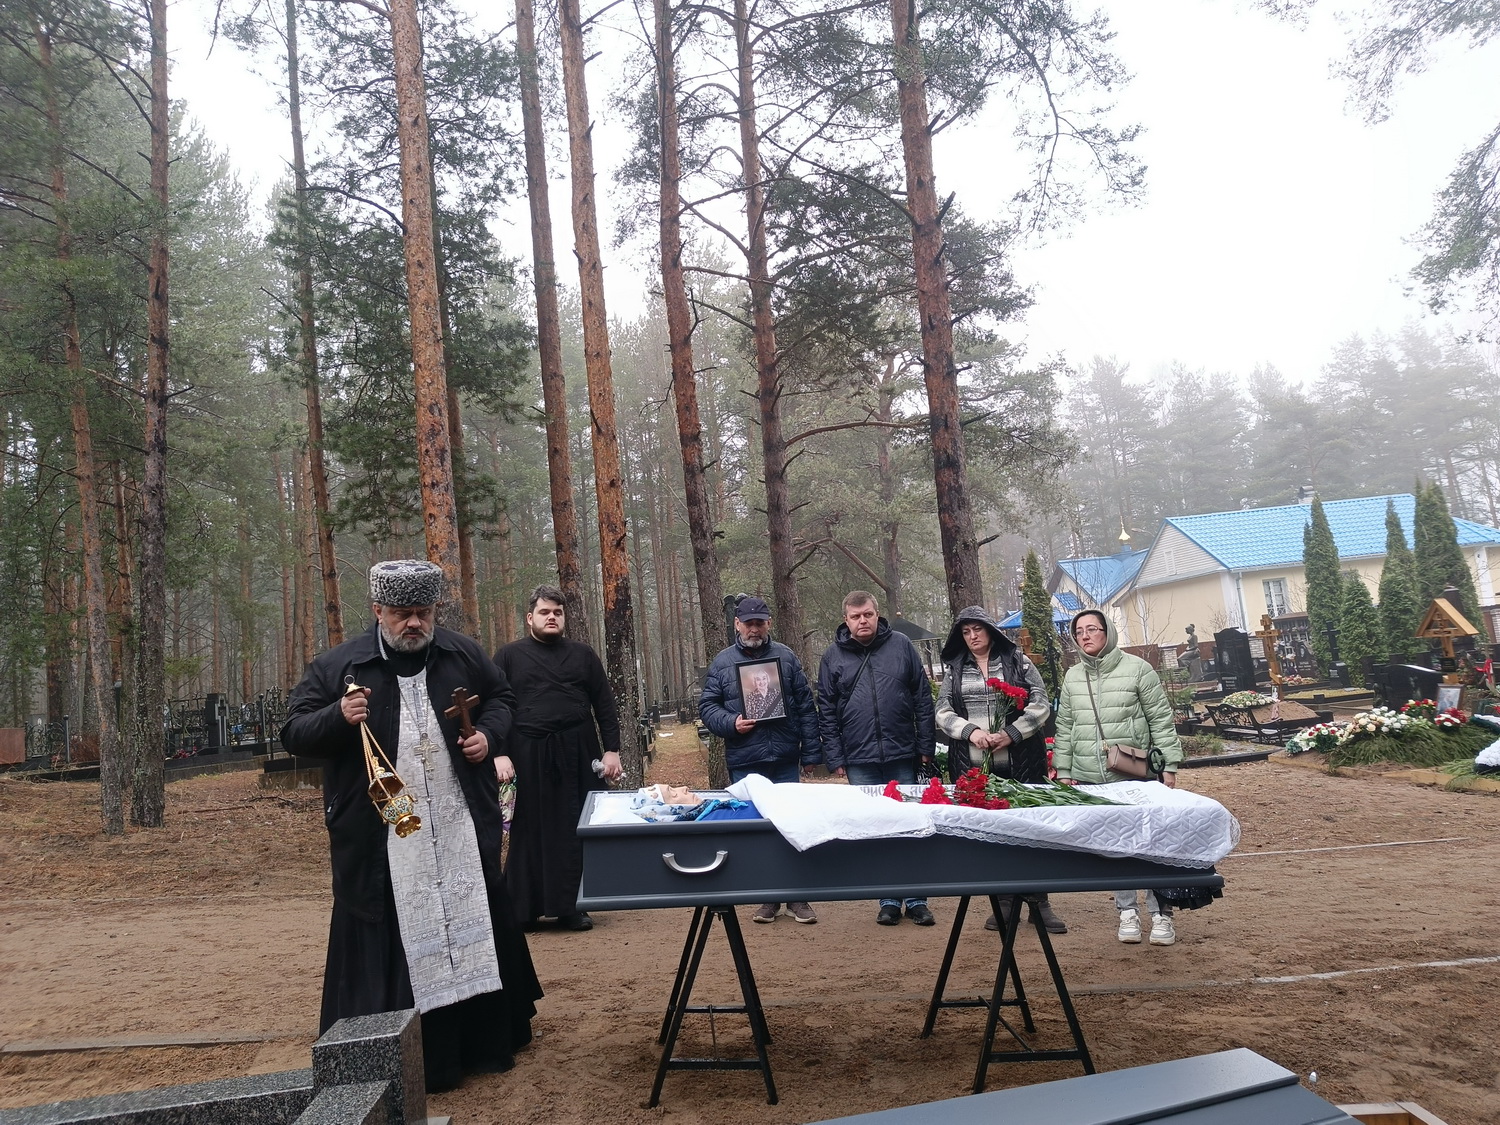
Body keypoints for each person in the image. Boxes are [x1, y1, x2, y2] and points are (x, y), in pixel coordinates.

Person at [280, 559, 541, 1093]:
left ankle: (482, 1042)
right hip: (382, 834)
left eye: (423, 612)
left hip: (457, 824)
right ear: (378, 610)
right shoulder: (339, 665)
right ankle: (403, 1051)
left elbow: (503, 699)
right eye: (402, 614)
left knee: (471, 913)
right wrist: (337, 717)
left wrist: (488, 736)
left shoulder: (462, 653)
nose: (415, 623)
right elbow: (293, 732)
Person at [494, 584, 623, 932]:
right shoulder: (508, 656)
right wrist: (499, 753)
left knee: (573, 827)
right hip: (526, 753)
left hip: (578, 751)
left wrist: (611, 749)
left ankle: (572, 907)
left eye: (557, 612)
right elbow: (496, 707)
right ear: (530, 617)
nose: (551, 617)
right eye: (544, 612)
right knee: (528, 829)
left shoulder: (583, 655)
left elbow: (604, 703)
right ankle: (524, 908)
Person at [1052, 609, 1184, 947]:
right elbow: (1064, 726)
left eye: (1092, 629)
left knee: (1150, 843)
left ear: (1107, 632)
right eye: (1079, 631)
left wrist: (1168, 765)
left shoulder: (1138, 669)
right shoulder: (1073, 676)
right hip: (1091, 777)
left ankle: (1161, 914)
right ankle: (1127, 912)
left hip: (1134, 773)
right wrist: (1064, 770)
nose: (1085, 636)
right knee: (1115, 846)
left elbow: (1160, 719)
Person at [934, 605, 1066, 935]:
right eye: (966, 632)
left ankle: (1039, 903)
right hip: (974, 766)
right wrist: (970, 732)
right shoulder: (955, 668)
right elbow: (942, 711)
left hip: (1022, 763)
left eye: (977, 629)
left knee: (1030, 831)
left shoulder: (1017, 661)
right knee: (993, 833)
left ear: (990, 630)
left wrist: (1012, 733)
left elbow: (1041, 702)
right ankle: (1004, 901)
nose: (972, 636)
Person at [699, 594, 822, 924]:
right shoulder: (723, 662)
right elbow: (707, 707)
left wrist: (811, 752)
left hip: (784, 757)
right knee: (756, 828)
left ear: (769, 624)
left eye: (760, 623)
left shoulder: (786, 656)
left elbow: (805, 706)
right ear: (737, 624)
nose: (754, 629)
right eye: (748, 623)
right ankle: (768, 898)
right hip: (746, 759)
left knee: (790, 826)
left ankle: (797, 897)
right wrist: (732, 723)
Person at [818, 590, 937, 927]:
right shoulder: (832, 656)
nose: (863, 621)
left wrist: (925, 745)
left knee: (909, 827)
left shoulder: (901, 645)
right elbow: (826, 710)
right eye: (856, 617)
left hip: (902, 753)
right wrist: (835, 756)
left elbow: (922, 698)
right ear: (846, 620)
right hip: (859, 759)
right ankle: (887, 899)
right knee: (876, 829)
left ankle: (917, 899)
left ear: (877, 614)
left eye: (867, 614)